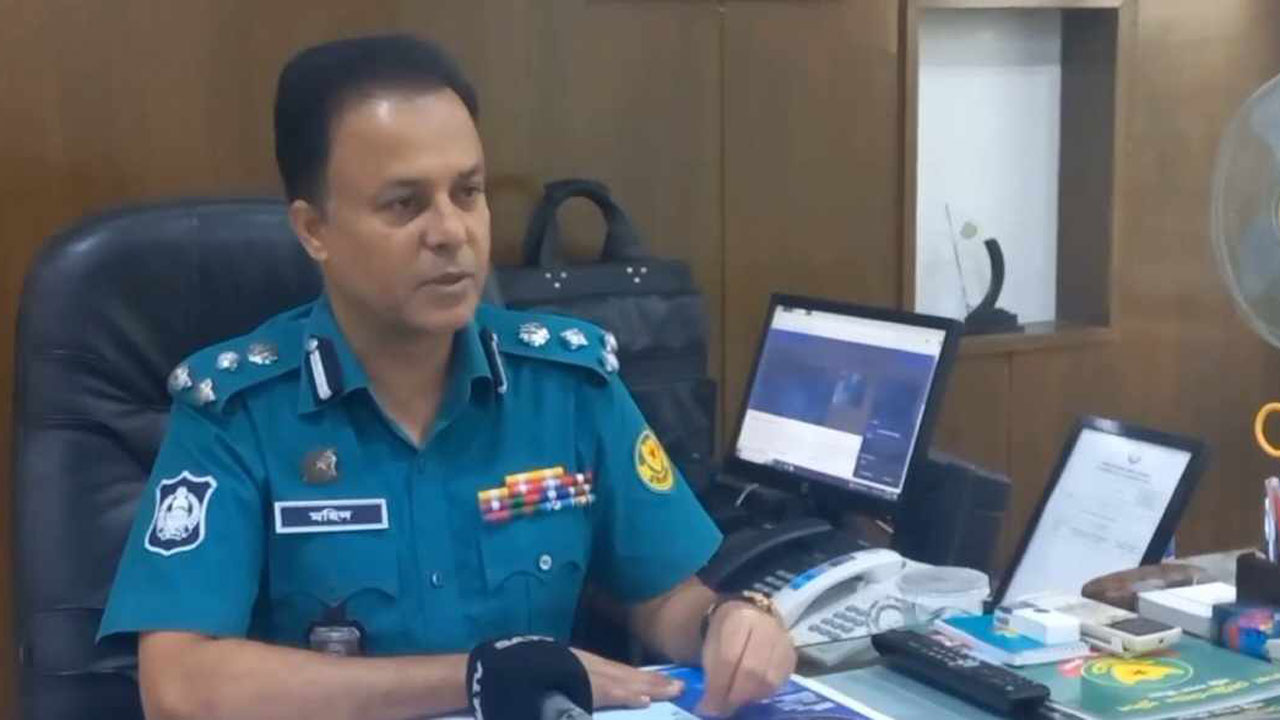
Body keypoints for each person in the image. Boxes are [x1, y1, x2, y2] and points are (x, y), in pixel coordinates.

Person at [98, 34, 796, 719]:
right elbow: (180, 686)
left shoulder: (567, 384)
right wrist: (471, 679)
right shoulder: (236, 410)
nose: (451, 231)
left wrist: (728, 624)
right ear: (314, 230)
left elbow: (664, 597)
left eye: (468, 192)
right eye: (405, 204)